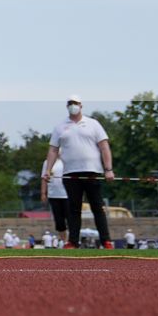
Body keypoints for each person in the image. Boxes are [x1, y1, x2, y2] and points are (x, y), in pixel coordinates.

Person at [43, 96, 113, 249]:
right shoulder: (60, 127)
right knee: (73, 209)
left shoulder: (93, 124)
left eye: (75, 103)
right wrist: (48, 170)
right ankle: (73, 241)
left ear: (81, 106)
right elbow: (53, 150)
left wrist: (108, 169)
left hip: (92, 171)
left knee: (97, 207)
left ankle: (106, 240)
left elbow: (104, 147)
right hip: (70, 173)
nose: (72, 106)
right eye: (70, 104)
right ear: (66, 106)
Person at [45, 158, 71, 247]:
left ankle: (72, 240)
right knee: (59, 221)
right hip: (53, 195)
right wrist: (43, 193)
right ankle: (64, 241)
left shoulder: (68, 160)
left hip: (68, 195)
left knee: (71, 218)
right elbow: (43, 178)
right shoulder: (47, 162)